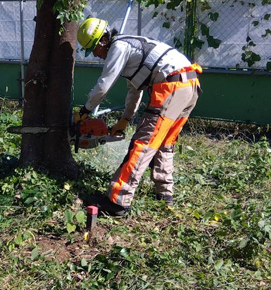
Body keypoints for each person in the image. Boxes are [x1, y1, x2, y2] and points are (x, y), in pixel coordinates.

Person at [75, 17, 202, 217]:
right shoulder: (133, 46)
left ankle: (118, 201)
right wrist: (125, 119)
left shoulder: (119, 47)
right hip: (190, 84)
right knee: (164, 142)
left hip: (171, 85)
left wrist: (84, 111)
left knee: (143, 143)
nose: (95, 55)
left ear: (103, 41)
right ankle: (165, 194)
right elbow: (135, 89)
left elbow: (104, 85)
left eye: (94, 49)